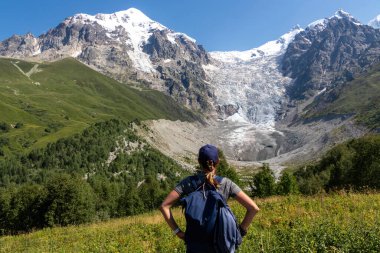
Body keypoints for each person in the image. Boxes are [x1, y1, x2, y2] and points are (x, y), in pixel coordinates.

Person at [159, 144, 260, 253]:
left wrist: (178, 232)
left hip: (195, 246)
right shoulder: (226, 184)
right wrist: (240, 232)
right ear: (218, 162)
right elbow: (253, 208)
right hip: (221, 246)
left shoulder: (188, 183)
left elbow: (164, 206)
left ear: (199, 161)